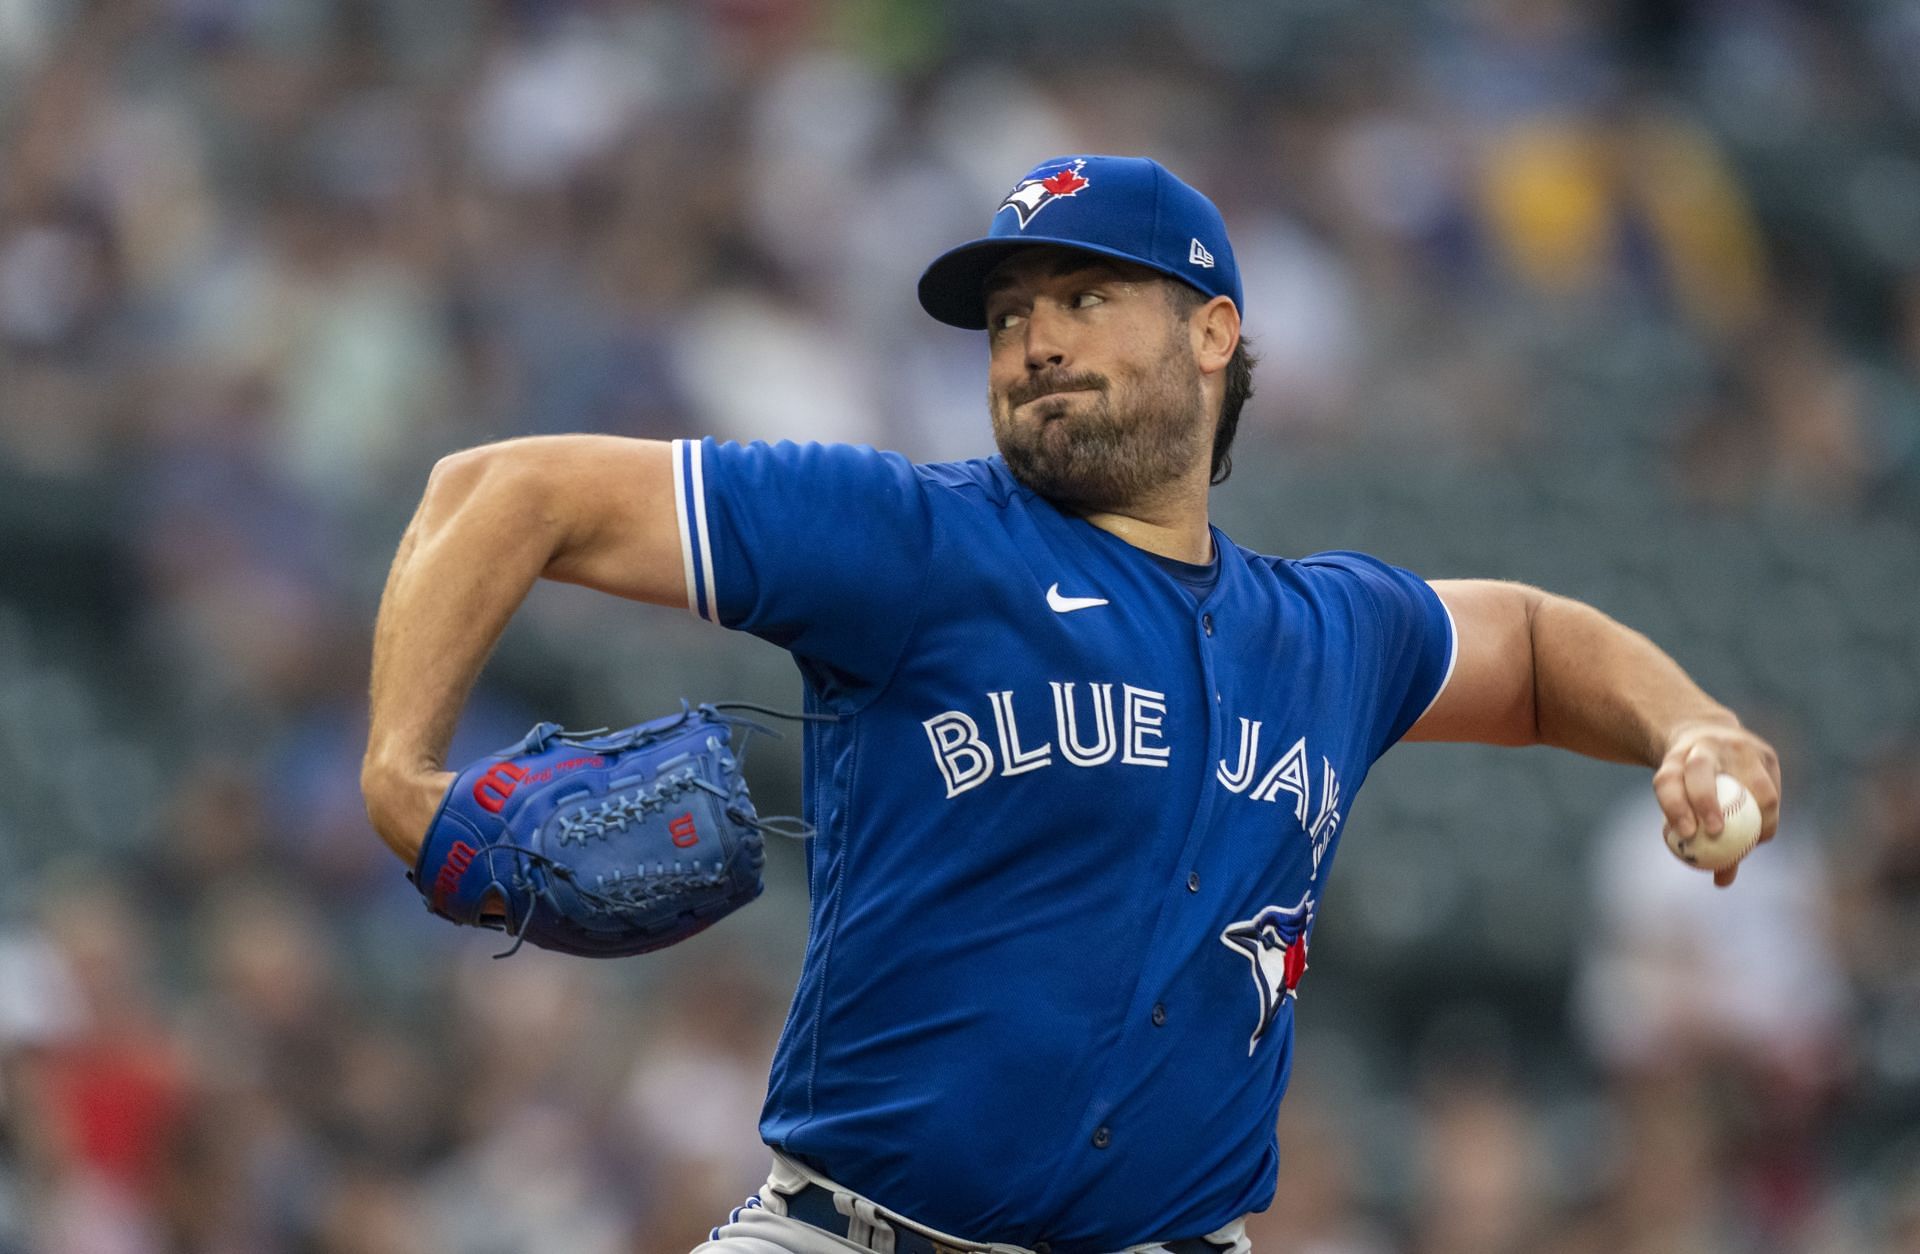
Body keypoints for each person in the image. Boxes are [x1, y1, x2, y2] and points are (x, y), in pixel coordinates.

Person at [360, 155, 1783, 1254]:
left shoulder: (1329, 630)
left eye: (1084, 298)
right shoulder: (916, 541)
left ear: (1213, 329)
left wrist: (1690, 723)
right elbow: (500, 492)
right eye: (1008, 316)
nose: (1033, 338)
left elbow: (1531, 649)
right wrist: (404, 780)